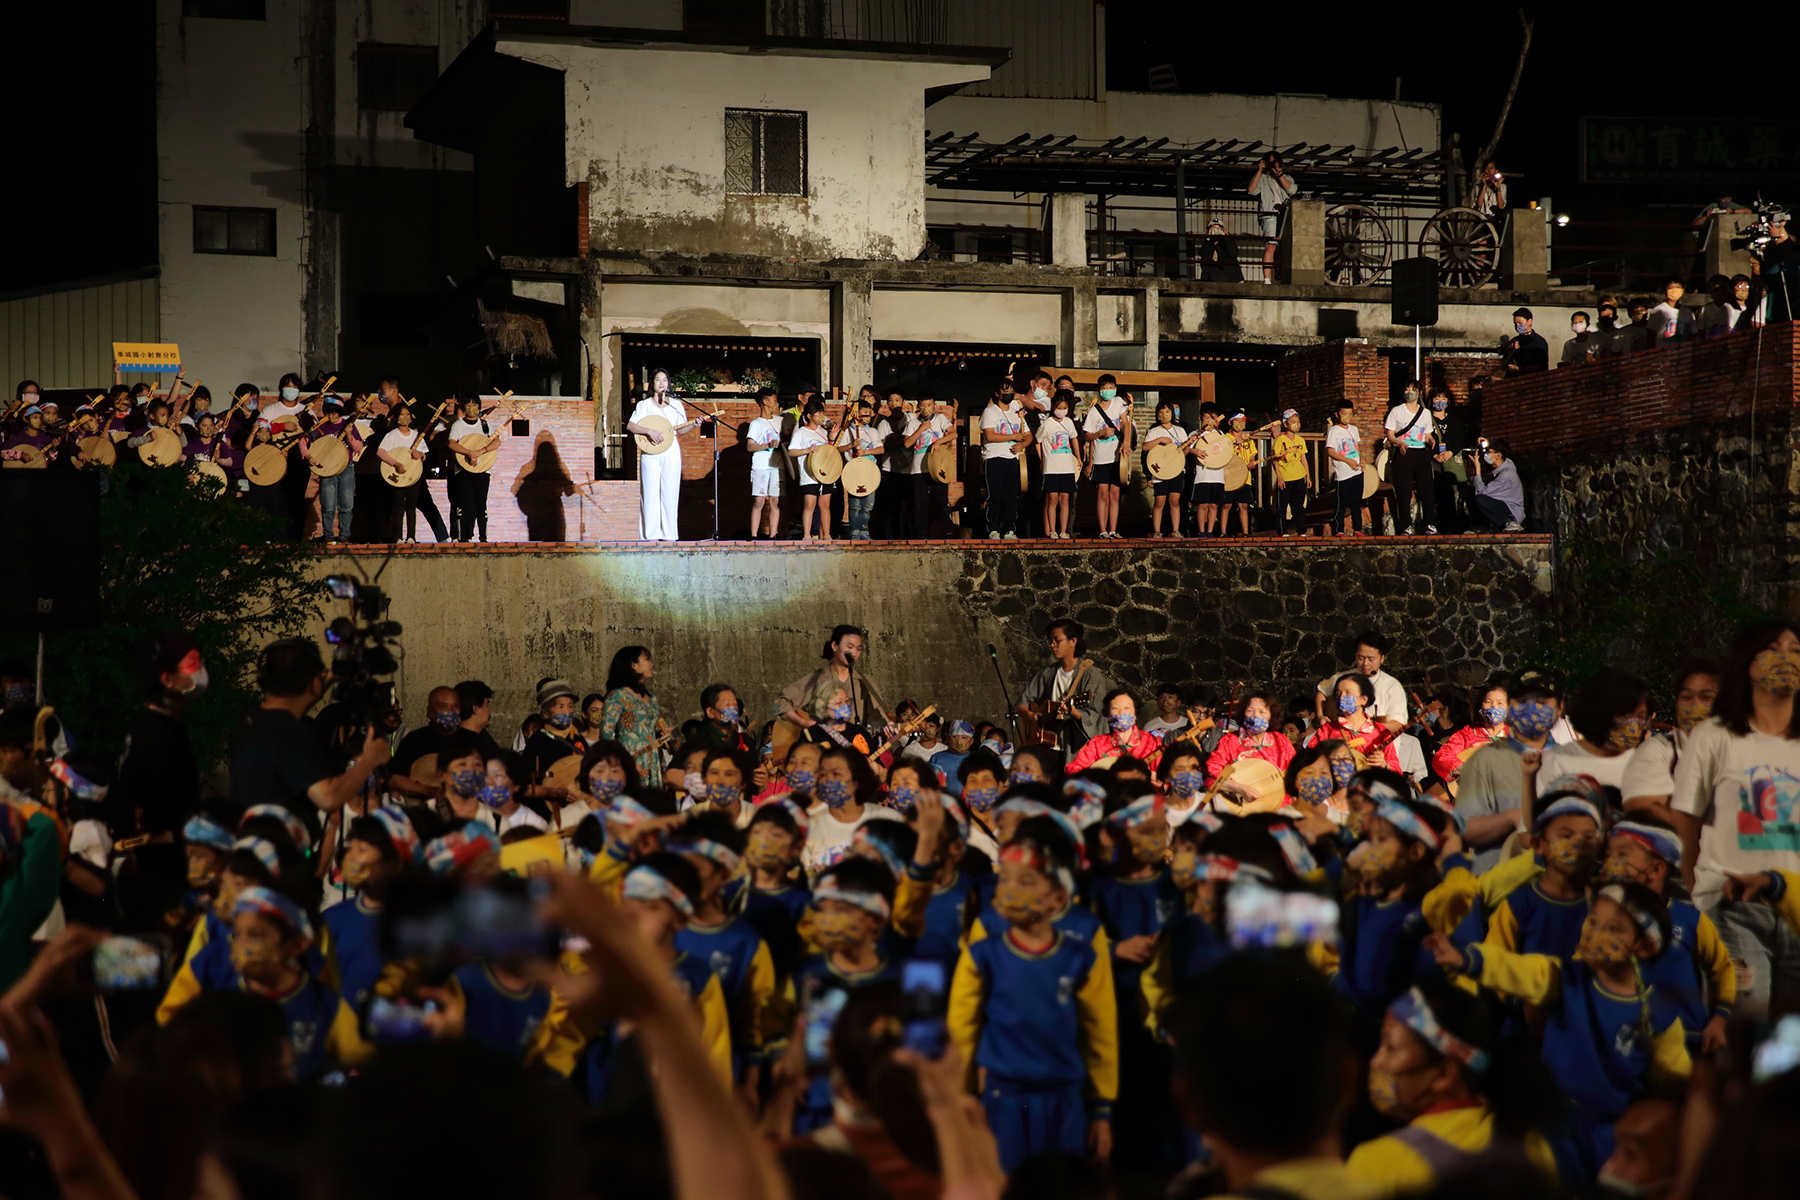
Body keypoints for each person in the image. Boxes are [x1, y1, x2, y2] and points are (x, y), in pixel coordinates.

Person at [1428, 883, 1691, 1187]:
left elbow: (1672, 1080)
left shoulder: (1658, 1017)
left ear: (1644, 947)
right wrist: (1466, 960)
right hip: (1550, 1122)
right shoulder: (1564, 978)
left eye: (1614, 929)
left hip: (1609, 1136)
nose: (1594, 933)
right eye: (1592, 921)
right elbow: (1519, 969)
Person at [949, 815, 1116, 1171]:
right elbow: (963, 1020)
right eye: (1005, 877)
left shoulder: (1084, 934)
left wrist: (1102, 1105)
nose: (1009, 889)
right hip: (1002, 1095)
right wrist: (961, 1092)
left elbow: (1099, 1024)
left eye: (1026, 879)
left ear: (1059, 892)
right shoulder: (987, 934)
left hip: (1065, 1096)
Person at [1665, 622, 1800, 1020]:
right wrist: (1695, 885)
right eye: (1773, 648)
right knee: (1742, 1029)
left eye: (1795, 649)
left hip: (1795, 906)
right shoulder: (1714, 736)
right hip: (1733, 906)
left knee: (1790, 1041)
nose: (1787, 658)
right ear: (1747, 662)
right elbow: (1685, 815)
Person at [1344, 983, 1559, 1197]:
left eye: (1390, 1048)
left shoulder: (1380, 1164)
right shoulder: (1532, 1145)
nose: (1376, 1061)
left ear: (1444, 1074)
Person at [228, 638, 389, 836]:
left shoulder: (248, 719)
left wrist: (328, 679)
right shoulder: (293, 732)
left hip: (248, 845)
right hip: (280, 851)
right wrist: (370, 760)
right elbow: (329, 798)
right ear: (313, 683)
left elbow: (293, 706)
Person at [107, 633, 206, 930]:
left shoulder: (153, 726)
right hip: (155, 878)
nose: (200, 672)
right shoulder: (157, 736)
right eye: (191, 665)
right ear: (167, 678)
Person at [1456, 673, 1561, 873]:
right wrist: (1511, 817)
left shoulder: (1568, 762)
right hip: (1497, 879)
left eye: (1541, 703)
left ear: (1559, 708)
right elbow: (1466, 829)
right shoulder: (1485, 759)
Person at [1538, 667, 1652, 795]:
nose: (1633, 726)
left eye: (1640, 718)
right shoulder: (1558, 762)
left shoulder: (1645, 767)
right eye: (1624, 716)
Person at [1016, 619, 1112, 759]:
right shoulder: (1048, 673)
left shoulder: (1091, 675)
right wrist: (1032, 717)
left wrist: (1074, 712)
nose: (1052, 645)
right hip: (1047, 746)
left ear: (1073, 641)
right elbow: (1021, 703)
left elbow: (1096, 714)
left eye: (1057, 640)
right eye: (1050, 641)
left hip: (1075, 749)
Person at [778, 625, 890, 739]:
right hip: (824, 748)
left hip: (855, 749)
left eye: (858, 649)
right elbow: (778, 704)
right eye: (850, 647)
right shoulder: (817, 679)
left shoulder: (865, 682)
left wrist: (888, 726)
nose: (854, 653)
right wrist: (803, 723)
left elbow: (880, 718)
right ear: (835, 646)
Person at [626, 369, 689, 542]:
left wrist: (694, 424)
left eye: (664, 380)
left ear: (669, 383)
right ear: (652, 383)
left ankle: (669, 535)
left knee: (670, 491)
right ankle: (650, 535)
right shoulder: (644, 405)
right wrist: (648, 431)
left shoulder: (676, 405)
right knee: (650, 492)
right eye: (657, 379)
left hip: (671, 451)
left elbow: (682, 429)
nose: (661, 383)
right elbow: (631, 426)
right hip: (650, 452)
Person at [1315, 632, 1409, 733]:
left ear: (1382, 658)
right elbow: (1322, 692)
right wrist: (1321, 716)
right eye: (1361, 658)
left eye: (1371, 659)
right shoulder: (1344, 679)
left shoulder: (1392, 686)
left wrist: (1366, 730)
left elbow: (1398, 723)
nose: (1365, 663)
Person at [597, 648, 663, 784]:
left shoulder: (651, 698)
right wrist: (623, 763)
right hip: (630, 760)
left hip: (652, 760)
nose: (651, 664)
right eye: (646, 659)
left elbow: (648, 730)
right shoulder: (618, 696)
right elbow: (606, 735)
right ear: (633, 665)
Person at [1383, 381, 1437, 536]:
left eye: (1413, 390)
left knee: (1426, 490)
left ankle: (1430, 524)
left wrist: (1430, 439)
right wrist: (1399, 443)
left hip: (1420, 453)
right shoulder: (1397, 411)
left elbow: (1427, 434)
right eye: (1407, 389)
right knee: (1403, 491)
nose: (1409, 392)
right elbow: (1390, 434)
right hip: (1403, 453)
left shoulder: (1425, 413)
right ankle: (1406, 525)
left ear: (1419, 393)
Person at [1081, 377, 1130, 539]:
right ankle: (1102, 530)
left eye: (1111, 387)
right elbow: (1087, 436)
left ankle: (1113, 530)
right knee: (1103, 494)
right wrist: (1099, 434)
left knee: (1115, 494)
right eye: (1105, 387)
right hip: (1101, 457)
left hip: (1117, 457)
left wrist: (1126, 442)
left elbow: (1126, 423)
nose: (1108, 390)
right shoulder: (1094, 411)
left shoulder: (1118, 403)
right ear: (1099, 390)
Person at [980, 384, 1030, 540]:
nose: (1008, 394)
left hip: (1013, 459)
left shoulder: (1017, 414)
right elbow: (990, 435)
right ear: (997, 393)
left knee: (1011, 497)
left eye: (1010, 391)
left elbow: (1028, 435)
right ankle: (993, 529)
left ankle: (1009, 529)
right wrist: (1012, 437)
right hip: (994, 458)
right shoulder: (990, 411)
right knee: (995, 496)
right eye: (1005, 391)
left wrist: (1022, 444)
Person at [900, 391, 953, 538]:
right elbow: (907, 443)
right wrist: (921, 429)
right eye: (923, 406)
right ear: (918, 406)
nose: (926, 408)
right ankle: (920, 535)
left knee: (941, 501)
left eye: (929, 405)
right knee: (919, 504)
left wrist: (939, 442)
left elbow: (953, 433)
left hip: (937, 467)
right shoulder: (913, 422)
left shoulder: (941, 419)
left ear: (934, 405)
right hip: (918, 469)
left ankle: (947, 532)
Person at [375, 400, 427, 543]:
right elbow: (380, 452)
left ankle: (411, 536)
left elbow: (424, 453)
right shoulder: (392, 435)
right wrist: (395, 463)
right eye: (402, 414)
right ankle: (397, 537)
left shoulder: (416, 435)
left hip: (413, 475)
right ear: (396, 417)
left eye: (407, 414)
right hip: (397, 474)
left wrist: (420, 455)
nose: (405, 417)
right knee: (399, 506)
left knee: (411, 506)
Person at [445, 393, 495, 543]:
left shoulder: (485, 424)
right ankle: (464, 536)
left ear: (479, 407)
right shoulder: (458, 425)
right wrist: (468, 453)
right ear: (463, 407)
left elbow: (496, 442)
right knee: (465, 503)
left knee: (481, 503)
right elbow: (452, 443)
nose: (472, 408)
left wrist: (480, 452)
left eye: (475, 405)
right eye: (469, 405)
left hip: (482, 469)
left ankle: (483, 537)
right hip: (463, 470)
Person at [1038, 389, 1082, 539]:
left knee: (1065, 499)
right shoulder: (1047, 424)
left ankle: (1063, 530)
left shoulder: (1069, 422)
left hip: (1067, 466)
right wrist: (1042, 459)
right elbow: (1038, 442)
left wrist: (1078, 457)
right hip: (1051, 467)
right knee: (1052, 499)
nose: (1062, 411)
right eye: (1059, 408)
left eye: (1065, 408)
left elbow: (1074, 438)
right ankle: (1052, 530)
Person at [788, 397, 834, 542]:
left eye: (822, 413)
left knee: (825, 505)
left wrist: (832, 439)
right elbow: (791, 451)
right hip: (809, 474)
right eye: (817, 414)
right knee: (810, 505)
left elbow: (829, 451)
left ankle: (826, 535)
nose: (821, 417)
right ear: (809, 416)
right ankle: (807, 535)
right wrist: (808, 450)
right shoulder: (801, 432)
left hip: (825, 473)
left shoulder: (823, 431)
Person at [1247, 151, 1296, 283]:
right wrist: (1259, 171)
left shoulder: (1287, 178)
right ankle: (1267, 279)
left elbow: (1293, 190)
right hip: (1269, 214)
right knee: (1271, 246)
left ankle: (1285, 277)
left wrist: (1279, 176)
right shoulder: (1262, 178)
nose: (1272, 165)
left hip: (1284, 215)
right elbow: (1251, 190)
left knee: (1287, 247)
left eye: (1274, 162)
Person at [1266, 407, 1311, 536]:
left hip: (1299, 476)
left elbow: (1304, 459)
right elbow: (1275, 460)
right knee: (1282, 507)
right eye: (1293, 422)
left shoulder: (1300, 440)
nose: (1296, 425)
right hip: (1286, 477)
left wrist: (1307, 476)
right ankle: (1282, 531)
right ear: (1285, 424)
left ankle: (1301, 530)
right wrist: (1279, 477)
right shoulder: (1280, 440)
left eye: (1297, 422)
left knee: (1299, 506)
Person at [746, 387, 783, 540]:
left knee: (775, 500)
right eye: (774, 401)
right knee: (759, 500)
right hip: (761, 465)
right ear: (765, 402)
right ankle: (754, 535)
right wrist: (767, 445)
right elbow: (750, 446)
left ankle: (773, 535)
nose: (776, 404)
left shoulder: (780, 420)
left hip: (777, 465)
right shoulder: (756, 423)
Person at [1325, 397, 1365, 536]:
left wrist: (1362, 461)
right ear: (1337, 414)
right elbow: (1330, 451)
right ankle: (1339, 529)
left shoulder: (1354, 430)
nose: (1347, 417)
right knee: (1340, 504)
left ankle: (1358, 529)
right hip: (1343, 474)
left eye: (1349, 414)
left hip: (1357, 472)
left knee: (1356, 503)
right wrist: (1347, 461)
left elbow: (1357, 448)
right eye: (1344, 414)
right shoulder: (1334, 431)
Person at [1467, 439, 1524, 532]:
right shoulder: (1505, 465)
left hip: (1511, 512)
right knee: (1470, 492)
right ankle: (1485, 528)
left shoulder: (1506, 475)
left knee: (1480, 500)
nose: (1487, 455)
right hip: (1502, 505)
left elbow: (1481, 493)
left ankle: (1508, 523)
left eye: (1489, 452)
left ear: (1499, 456)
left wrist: (1477, 470)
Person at [1646, 277, 1695, 347]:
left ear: (1683, 290)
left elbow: (1691, 335)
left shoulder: (1687, 312)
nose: (1674, 291)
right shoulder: (1658, 310)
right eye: (1670, 288)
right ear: (1665, 290)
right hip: (1663, 354)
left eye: (1677, 287)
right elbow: (1651, 335)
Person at [1502, 308, 1549, 375]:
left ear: (1529, 321)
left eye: (1520, 323)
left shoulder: (1539, 342)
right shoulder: (1514, 340)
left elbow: (1540, 367)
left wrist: (1519, 368)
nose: (1517, 326)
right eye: (1515, 324)